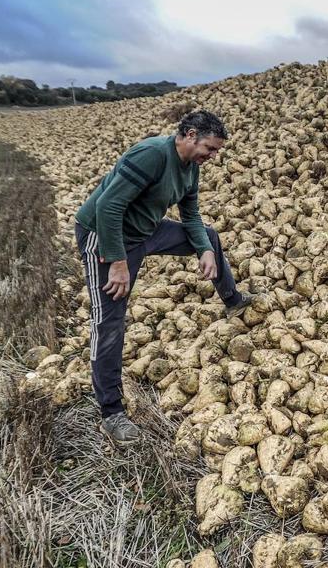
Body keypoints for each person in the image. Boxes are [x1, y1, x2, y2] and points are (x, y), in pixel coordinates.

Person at [74, 110, 254, 444]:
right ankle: (111, 414)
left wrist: (204, 250)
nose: (213, 157)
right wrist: (116, 262)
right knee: (109, 321)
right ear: (189, 135)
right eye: (210, 149)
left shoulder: (190, 168)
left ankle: (234, 300)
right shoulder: (152, 154)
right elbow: (108, 207)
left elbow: (191, 213)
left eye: (216, 151)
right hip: (106, 236)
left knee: (209, 237)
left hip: (145, 231)